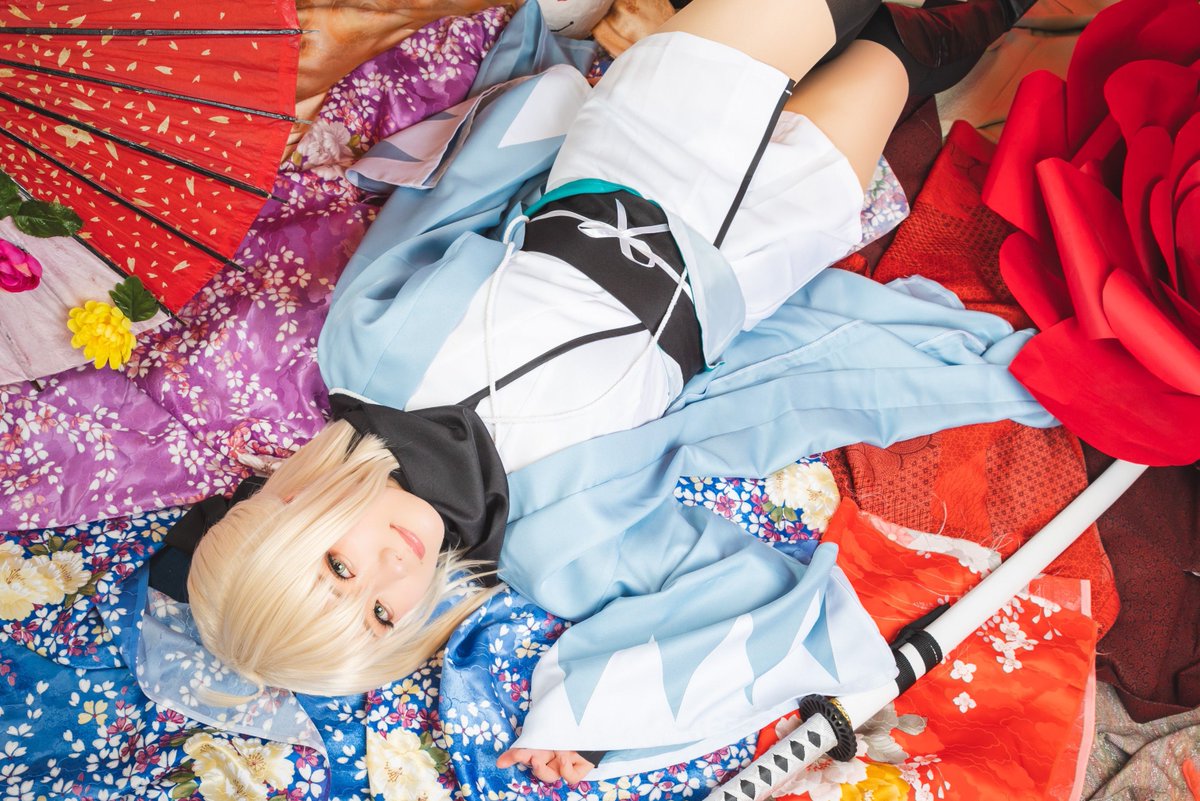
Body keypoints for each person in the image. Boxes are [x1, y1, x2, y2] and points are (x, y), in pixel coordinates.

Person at [182, 0, 1037, 786]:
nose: (392, 570)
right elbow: (741, 592)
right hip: (764, 242)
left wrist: (546, 87)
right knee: (921, 43)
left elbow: (452, 207)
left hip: (643, 139)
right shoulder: (556, 553)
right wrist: (595, 716)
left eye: (339, 565)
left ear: (290, 503)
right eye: (378, 613)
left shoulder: (360, 352)